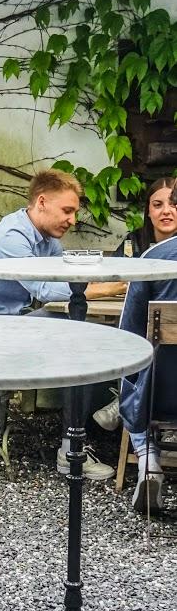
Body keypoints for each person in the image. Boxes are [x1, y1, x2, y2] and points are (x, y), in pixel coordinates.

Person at [0, 168, 125, 479]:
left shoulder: (46, 240)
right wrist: (109, 287)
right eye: (68, 210)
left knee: (84, 336)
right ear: (42, 202)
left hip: (9, 322)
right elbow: (45, 289)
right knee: (83, 340)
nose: (73, 220)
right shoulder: (13, 237)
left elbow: (62, 279)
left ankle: (93, 427)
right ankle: (72, 449)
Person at [94, 176, 177, 435]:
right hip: (147, 328)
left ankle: (126, 402)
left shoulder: (160, 255)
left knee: (135, 338)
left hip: (161, 350)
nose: (166, 210)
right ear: (148, 212)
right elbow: (111, 278)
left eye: (173, 204)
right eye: (157, 204)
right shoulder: (134, 244)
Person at [113, 179, 177, 514]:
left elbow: (128, 331)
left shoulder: (154, 258)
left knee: (130, 372)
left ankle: (148, 460)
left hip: (161, 395)